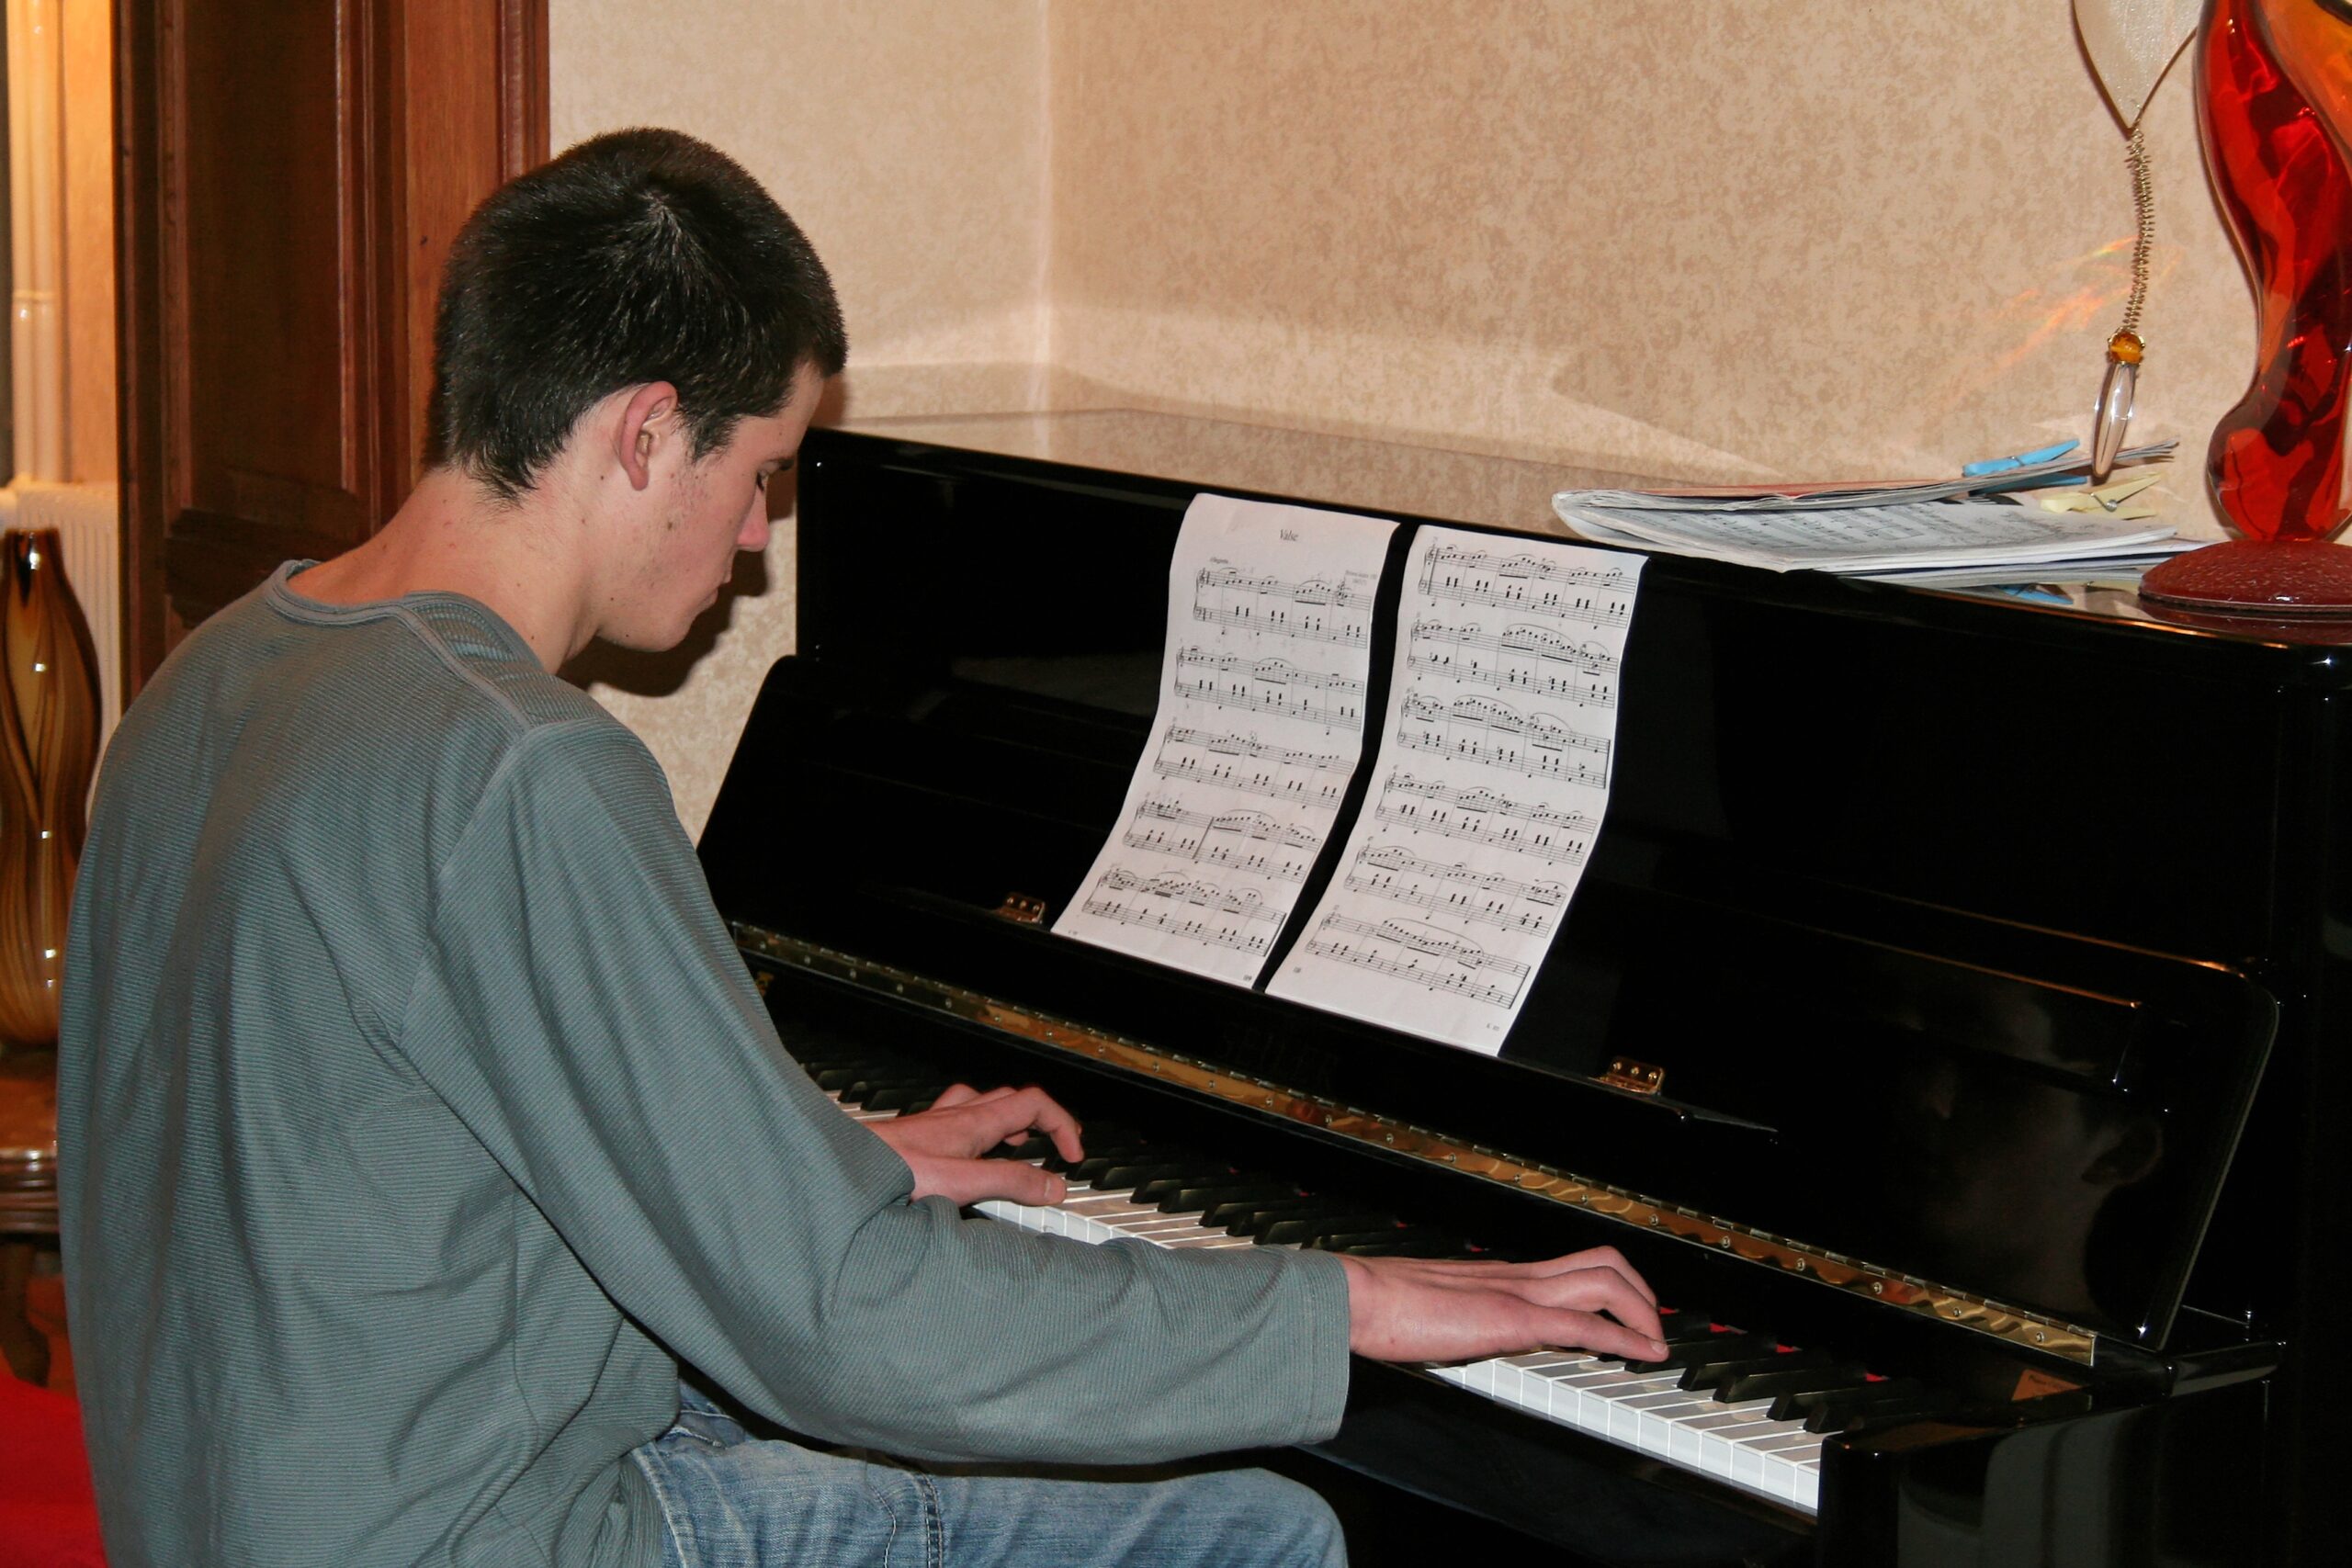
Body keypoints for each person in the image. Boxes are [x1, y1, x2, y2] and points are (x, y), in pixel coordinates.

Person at [56, 128, 1665, 1568]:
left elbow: (399, 1134)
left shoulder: (227, 662)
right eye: (760, 473)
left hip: (241, 1496)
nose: (759, 540)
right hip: (491, 1530)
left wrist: (818, 1160)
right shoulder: (521, 771)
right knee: (1258, 1529)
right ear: (642, 434)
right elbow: (844, 1329)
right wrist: (1352, 1300)